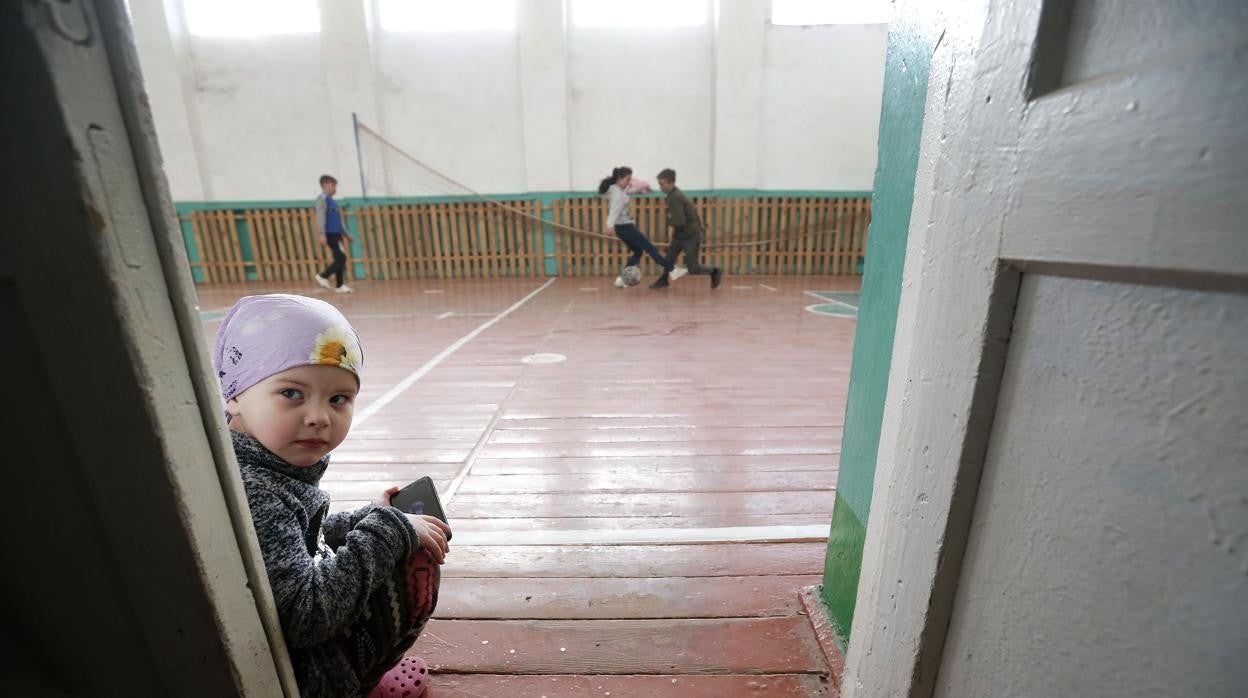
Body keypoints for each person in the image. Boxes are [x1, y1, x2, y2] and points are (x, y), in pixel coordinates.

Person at [213, 294, 451, 697]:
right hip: (311, 674)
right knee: (416, 561)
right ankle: (360, 683)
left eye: (338, 398)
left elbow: (302, 539)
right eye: (292, 393)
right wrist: (388, 529)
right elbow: (307, 616)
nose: (320, 417)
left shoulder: (258, 464)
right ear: (235, 392)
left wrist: (367, 518)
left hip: (294, 651)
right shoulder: (258, 491)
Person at [597, 166, 686, 288]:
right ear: (619, 179)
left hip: (621, 228)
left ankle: (622, 280)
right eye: (627, 179)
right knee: (650, 248)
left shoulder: (613, 189)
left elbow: (623, 194)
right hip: (626, 227)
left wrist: (633, 187)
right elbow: (614, 210)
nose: (629, 182)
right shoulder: (618, 195)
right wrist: (609, 225)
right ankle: (672, 270)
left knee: (638, 251)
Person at [651, 168, 722, 290]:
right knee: (668, 259)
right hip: (681, 235)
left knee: (693, 268)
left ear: (671, 183)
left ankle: (714, 271)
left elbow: (680, 221)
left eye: (662, 184)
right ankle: (663, 280)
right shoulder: (673, 195)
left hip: (690, 236)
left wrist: (670, 228)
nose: (660, 187)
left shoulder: (675, 197)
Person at [314, 175, 353, 294]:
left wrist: (346, 234)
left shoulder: (333, 202)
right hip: (330, 234)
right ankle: (322, 275)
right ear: (325, 185)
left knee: (339, 259)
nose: (335, 188)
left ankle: (339, 285)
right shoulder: (322, 200)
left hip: (337, 234)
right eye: (333, 185)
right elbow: (320, 217)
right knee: (341, 258)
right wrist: (322, 234)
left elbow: (338, 221)